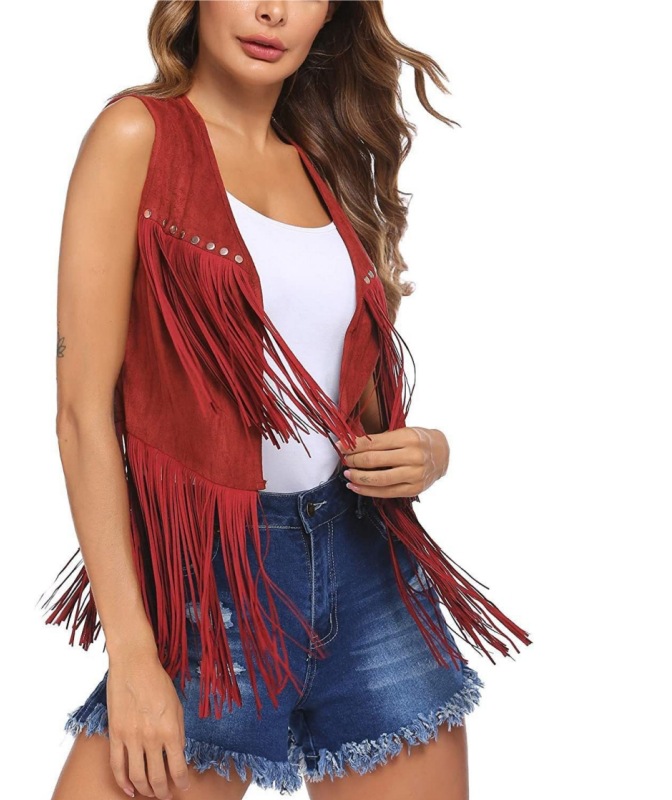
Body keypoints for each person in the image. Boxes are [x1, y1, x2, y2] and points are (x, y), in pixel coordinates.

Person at [48, 2, 505, 798]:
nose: (272, 10)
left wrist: (428, 452)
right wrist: (133, 654)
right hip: (213, 584)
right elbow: (82, 413)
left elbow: (350, 399)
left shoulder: (326, 159)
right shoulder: (137, 136)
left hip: (367, 569)